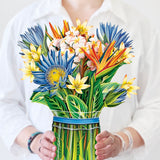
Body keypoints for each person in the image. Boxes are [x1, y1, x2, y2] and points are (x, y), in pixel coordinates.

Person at [0, 0, 160, 160]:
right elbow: (5, 102)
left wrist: (122, 141)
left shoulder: (139, 26)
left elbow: (155, 104)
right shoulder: (23, 23)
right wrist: (33, 140)